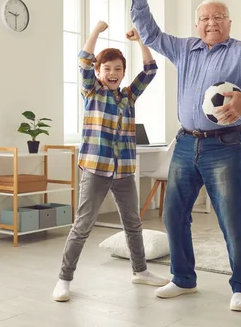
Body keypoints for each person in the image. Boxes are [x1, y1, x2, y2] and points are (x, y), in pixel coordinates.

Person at [127, 0, 241, 311]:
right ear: (196, 24)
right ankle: (183, 278)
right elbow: (150, 34)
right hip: (185, 143)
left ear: (229, 22)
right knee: (173, 214)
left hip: (226, 146)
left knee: (232, 218)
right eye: (205, 18)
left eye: (218, 17)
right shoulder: (184, 48)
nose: (211, 23)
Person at [52, 21, 169, 302]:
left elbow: (151, 69)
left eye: (118, 69)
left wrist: (140, 40)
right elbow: (83, 60)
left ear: (123, 72)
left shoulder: (128, 96)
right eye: (107, 69)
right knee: (82, 226)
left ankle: (140, 271)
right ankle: (64, 280)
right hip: (95, 169)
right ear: (98, 71)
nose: (113, 73)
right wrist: (95, 32)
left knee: (133, 224)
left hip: (125, 171)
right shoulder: (92, 92)